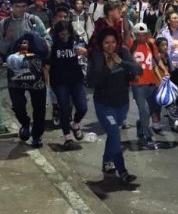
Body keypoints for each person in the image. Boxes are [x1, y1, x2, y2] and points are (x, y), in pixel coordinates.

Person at [87, 28, 143, 183]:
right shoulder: (97, 57)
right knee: (114, 134)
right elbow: (91, 81)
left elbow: (139, 70)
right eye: (106, 43)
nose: (110, 46)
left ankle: (107, 161)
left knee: (113, 135)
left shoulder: (123, 52)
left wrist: (121, 62)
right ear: (101, 44)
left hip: (122, 104)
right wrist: (108, 68)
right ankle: (122, 171)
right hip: (104, 105)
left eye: (113, 42)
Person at [46, 21, 88, 149]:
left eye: (67, 34)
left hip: (76, 80)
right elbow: (46, 65)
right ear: (57, 34)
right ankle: (67, 137)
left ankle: (74, 124)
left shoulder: (76, 42)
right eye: (62, 35)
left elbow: (89, 52)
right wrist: (47, 83)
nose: (65, 37)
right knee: (64, 109)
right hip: (59, 82)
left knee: (82, 107)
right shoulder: (53, 46)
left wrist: (84, 51)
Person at [6, 32, 50, 148]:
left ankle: (37, 137)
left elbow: (47, 56)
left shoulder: (40, 42)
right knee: (18, 105)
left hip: (37, 81)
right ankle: (25, 124)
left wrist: (46, 72)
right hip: (16, 81)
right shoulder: (7, 27)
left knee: (39, 109)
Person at [128, 23, 160, 150]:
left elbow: (156, 61)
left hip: (151, 83)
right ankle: (148, 137)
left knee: (151, 109)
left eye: (144, 35)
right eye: (139, 35)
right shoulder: (130, 45)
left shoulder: (151, 45)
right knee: (144, 110)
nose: (142, 37)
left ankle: (141, 124)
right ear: (135, 35)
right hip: (138, 85)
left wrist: (163, 74)